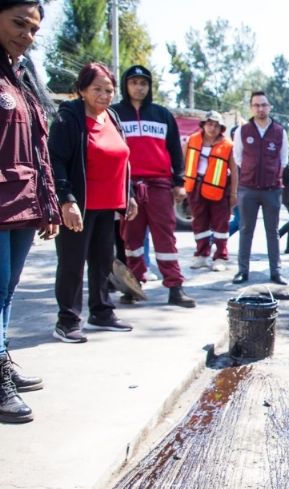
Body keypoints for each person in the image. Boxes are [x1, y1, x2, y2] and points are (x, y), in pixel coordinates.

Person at [0, 0, 60, 423]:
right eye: (19, 24)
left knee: (5, 291)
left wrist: (49, 204)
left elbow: (39, 148)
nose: (28, 34)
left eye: (34, 29)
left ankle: (1, 357)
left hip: (22, 201)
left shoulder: (21, 76)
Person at [49, 62, 138, 343]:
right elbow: (57, 162)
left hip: (108, 204)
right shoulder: (69, 118)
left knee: (102, 261)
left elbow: (123, 159)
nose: (104, 95)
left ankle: (101, 312)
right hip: (79, 206)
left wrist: (130, 194)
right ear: (82, 90)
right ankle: (67, 320)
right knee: (72, 263)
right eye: (97, 89)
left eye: (109, 90)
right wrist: (66, 200)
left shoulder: (112, 117)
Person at [112, 65, 195, 308]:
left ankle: (175, 287)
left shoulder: (162, 114)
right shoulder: (114, 114)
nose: (139, 87)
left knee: (165, 239)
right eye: (134, 82)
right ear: (126, 85)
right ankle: (133, 286)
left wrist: (179, 182)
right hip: (128, 188)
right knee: (131, 239)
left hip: (159, 186)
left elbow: (175, 152)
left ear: (149, 87)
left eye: (143, 83)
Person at [231, 91, 288, 285]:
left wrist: (273, 176)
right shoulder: (243, 131)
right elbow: (238, 157)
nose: (260, 109)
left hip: (272, 189)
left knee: (273, 232)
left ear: (269, 107)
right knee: (246, 229)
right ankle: (242, 271)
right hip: (248, 188)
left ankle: (276, 271)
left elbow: (284, 159)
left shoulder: (279, 131)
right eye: (256, 105)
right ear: (251, 108)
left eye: (263, 105)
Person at [184, 110, 236, 272]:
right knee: (199, 222)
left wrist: (234, 193)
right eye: (209, 124)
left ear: (221, 128)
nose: (212, 128)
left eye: (216, 125)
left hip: (219, 189)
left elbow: (234, 172)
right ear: (203, 125)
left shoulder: (228, 145)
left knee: (220, 223)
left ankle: (220, 257)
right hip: (195, 187)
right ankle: (201, 255)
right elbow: (182, 160)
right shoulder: (192, 140)